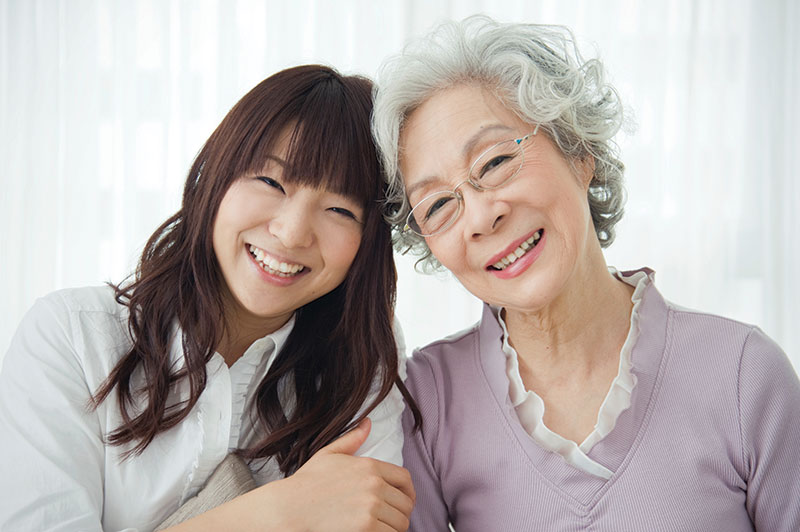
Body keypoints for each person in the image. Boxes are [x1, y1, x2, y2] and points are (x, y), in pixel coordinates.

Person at [371, 16, 800, 531]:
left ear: (578, 151)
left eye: (494, 162)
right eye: (439, 204)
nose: (483, 217)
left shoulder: (745, 375)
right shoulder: (428, 400)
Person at [0, 65, 418, 532]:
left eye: (340, 209)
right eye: (272, 183)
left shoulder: (361, 358)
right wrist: (277, 513)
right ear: (216, 177)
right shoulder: (73, 336)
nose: (292, 232)